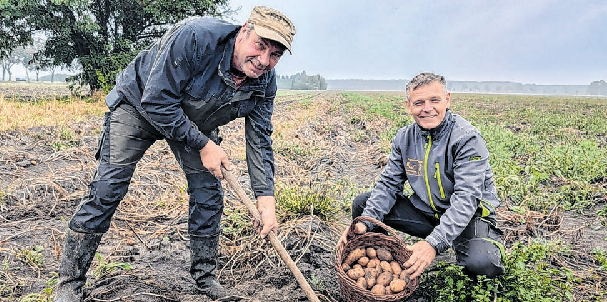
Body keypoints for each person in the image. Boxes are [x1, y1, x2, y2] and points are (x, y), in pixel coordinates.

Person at [54, 6, 295, 302]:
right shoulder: (196, 37)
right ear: (244, 30)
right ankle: (69, 283)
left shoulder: (264, 82)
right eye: (260, 45)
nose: (263, 61)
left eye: (275, 55)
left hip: (194, 122)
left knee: (209, 194)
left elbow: (259, 139)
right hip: (140, 106)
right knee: (108, 187)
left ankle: (206, 279)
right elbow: (156, 100)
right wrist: (205, 145)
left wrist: (265, 198)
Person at [338, 72, 505, 281]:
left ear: (447, 99)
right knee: (363, 207)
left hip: (468, 219)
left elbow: (466, 199)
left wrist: (433, 243)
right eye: (419, 102)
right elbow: (389, 185)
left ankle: (460, 244)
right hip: (427, 214)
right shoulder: (405, 138)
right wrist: (364, 224)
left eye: (434, 100)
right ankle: (390, 262)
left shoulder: (466, 138)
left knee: (482, 263)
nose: (427, 108)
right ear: (409, 106)